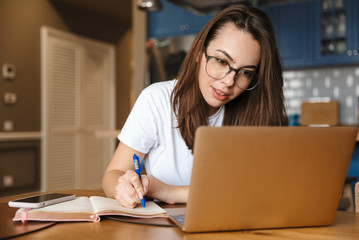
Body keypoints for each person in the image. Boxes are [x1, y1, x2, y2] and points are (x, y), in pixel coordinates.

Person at [102, 4, 288, 208]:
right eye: (221, 61)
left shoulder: (258, 112)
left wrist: (167, 192)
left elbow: (260, 189)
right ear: (200, 52)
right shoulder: (157, 100)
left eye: (245, 72)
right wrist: (123, 187)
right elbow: (112, 175)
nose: (229, 81)